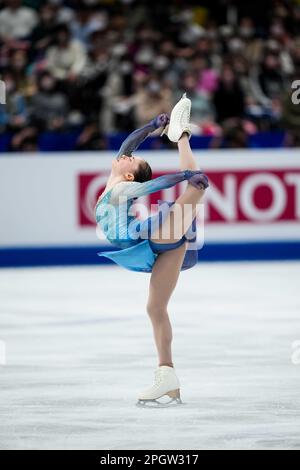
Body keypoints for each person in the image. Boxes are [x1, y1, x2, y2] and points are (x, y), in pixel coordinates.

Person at [95, 95, 209, 406]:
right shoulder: (116, 174)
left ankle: (183, 140)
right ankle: (167, 376)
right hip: (156, 245)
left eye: (130, 160)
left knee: (196, 187)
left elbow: (153, 186)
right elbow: (128, 145)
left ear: (129, 175)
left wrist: (186, 176)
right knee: (155, 309)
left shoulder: (123, 187)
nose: (125, 155)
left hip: (149, 235)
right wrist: (149, 126)